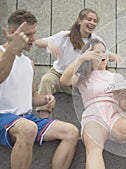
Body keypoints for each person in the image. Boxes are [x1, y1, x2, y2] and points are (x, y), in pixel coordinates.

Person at [0, 9, 79, 169]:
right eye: (28, 35)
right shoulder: (1, 52)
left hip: (25, 119)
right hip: (3, 117)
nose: (33, 39)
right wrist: (11, 50)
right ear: (13, 32)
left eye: (34, 33)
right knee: (28, 128)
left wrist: (44, 99)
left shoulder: (29, 63)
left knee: (71, 132)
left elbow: (32, 96)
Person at [60, 39, 126, 169]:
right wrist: (82, 58)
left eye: (104, 52)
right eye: (97, 53)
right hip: (94, 117)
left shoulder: (116, 76)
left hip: (115, 115)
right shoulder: (83, 77)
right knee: (93, 143)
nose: (102, 55)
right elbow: (64, 80)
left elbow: (123, 105)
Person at [35, 8, 118, 118]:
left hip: (78, 78)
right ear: (79, 21)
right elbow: (37, 42)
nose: (92, 23)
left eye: (95, 21)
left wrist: (115, 57)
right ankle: (43, 120)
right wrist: (48, 44)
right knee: (46, 80)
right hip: (58, 74)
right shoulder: (65, 36)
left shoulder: (96, 40)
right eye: (89, 19)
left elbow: (106, 54)